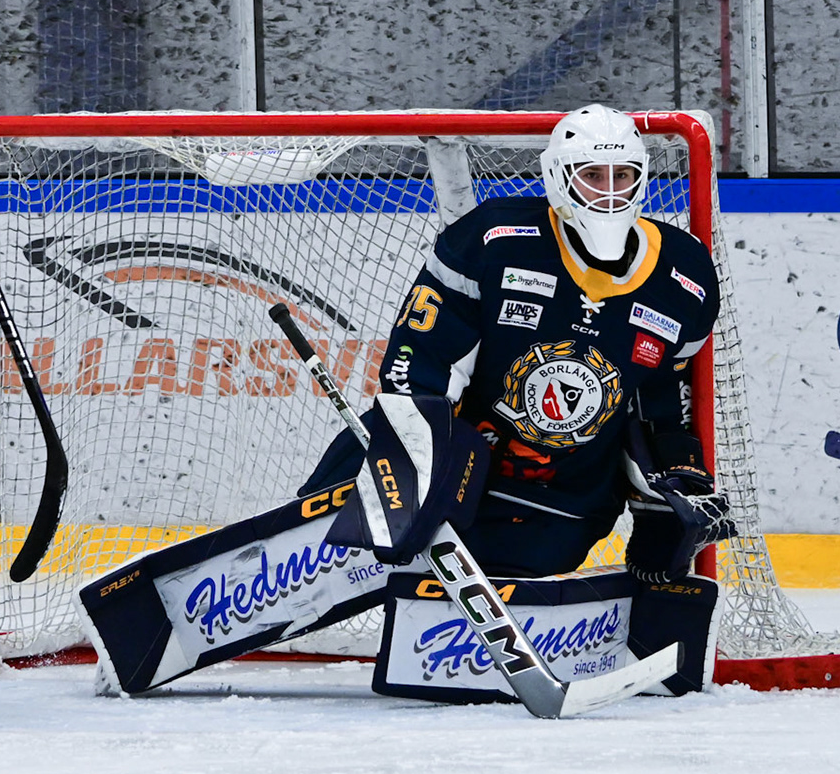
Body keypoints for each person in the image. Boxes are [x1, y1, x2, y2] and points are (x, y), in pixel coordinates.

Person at [304, 103, 731, 594]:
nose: (610, 192)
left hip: (560, 502)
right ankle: (301, 551)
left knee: (544, 555)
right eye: (593, 175)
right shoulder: (495, 238)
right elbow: (420, 364)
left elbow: (659, 401)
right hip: (455, 472)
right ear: (558, 177)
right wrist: (417, 465)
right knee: (362, 468)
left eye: (623, 176)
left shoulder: (685, 276)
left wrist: (663, 487)